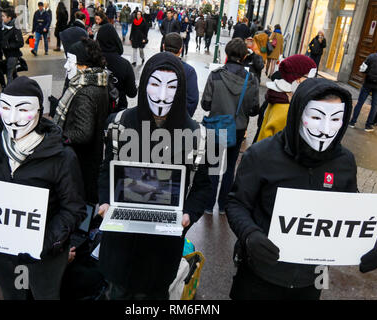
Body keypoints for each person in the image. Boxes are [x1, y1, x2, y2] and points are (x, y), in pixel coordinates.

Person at [227, 77, 377, 300]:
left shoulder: (344, 162)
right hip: (260, 274)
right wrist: (250, 234)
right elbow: (237, 203)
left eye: (336, 119)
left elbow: (351, 209)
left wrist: (370, 242)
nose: (325, 129)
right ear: (298, 114)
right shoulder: (261, 155)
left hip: (310, 280)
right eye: (315, 117)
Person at [0, 76, 87, 300]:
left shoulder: (61, 156)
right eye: (5, 107)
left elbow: (74, 208)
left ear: (39, 111)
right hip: (2, 254)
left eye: (23, 110)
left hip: (45, 257)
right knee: (13, 295)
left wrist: (45, 244)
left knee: (44, 295)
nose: (12, 119)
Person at [97, 51, 211, 300]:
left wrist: (188, 214)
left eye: (172, 87)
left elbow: (204, 186)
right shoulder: (118, 123)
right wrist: (105, 200)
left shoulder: (200, 136)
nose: (162, 95)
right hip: (120, 241)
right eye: (155, 83)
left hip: (163, 245)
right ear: (144, 83)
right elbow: (106, 167)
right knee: (116, 291)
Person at [201, 38, 259, 215]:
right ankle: (224, 205)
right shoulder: (251, 80)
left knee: (213, 167)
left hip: (216, 127)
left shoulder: (216, 75)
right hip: (238, 128)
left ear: (227, 54)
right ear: (243, 56)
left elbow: (205, 104)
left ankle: (208, 206)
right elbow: (254, 109)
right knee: (230, 167)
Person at [51, 39, 109, 205]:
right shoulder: (97, 81)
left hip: (80, 161)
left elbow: (83, 133)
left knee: (80, 200)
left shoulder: (84, 92)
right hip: (92, 159)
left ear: (83, 65)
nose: (66, 66)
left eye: (70, 61)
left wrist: (58, 135)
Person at [256, 54, 316, 142]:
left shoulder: (279, 97)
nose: (312, 82)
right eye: (309, 77)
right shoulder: (285, 108)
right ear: (297, 79)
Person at [349, 40, 377, 132]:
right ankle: (368, 126)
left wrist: (368, 74)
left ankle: (352, 122)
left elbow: (363, 69)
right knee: (374, 106)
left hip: (367, 83)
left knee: (360, 103)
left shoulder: (371, 56)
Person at [97, 19, 136, 113]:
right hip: (117, 111)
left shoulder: (91, 60)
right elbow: (132, 93)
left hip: (95, 110)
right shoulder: (124, 64)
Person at [164, 32, 199, 117]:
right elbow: (192, 100)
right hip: (178, 118)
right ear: (180, 50)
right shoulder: (189, 71)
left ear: (163, 46)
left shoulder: (152, 64)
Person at [1, 7, 23, 86]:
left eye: (3, 16)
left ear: (9, 18)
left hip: (13, 55)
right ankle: (21, 87)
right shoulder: (4, 26)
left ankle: (9, 91)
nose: (2, 18)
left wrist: (7, 46)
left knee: (9, 73)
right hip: (7, 54)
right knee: (14, 74)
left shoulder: (15, 27)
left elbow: (21, 43)